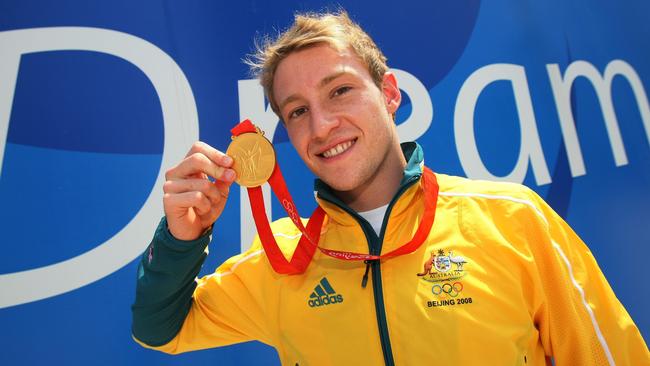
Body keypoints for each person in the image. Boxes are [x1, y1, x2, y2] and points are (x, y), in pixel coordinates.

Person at [131, 10, 649, 365]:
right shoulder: (282, 260)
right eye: (298, 112)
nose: (323, 125)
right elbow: (160, 330)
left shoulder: (514, 220)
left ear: (391, 94)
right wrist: (182, 237)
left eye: (340, 91)